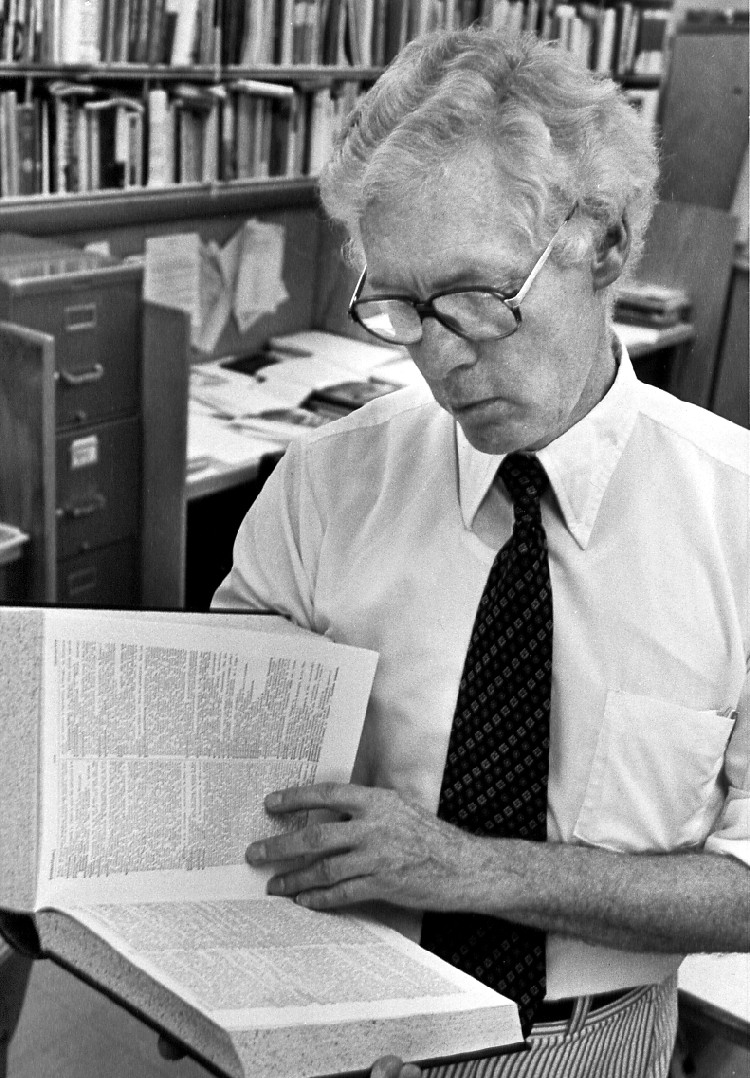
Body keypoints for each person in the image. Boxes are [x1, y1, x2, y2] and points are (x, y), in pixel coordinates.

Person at [213, 27, 749, 1078]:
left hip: (590, 1039)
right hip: (333, 1008)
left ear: (604, 244)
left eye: (478, 297)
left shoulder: (737, 519)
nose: (441, 355)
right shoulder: (324, 486)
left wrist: (469, 870)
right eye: (402, 307)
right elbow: (223, 776)